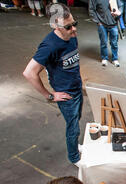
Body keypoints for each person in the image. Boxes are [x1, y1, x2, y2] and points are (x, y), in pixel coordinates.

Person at [23, 3, 82, 166]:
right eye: (68, 27)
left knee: (77, 120)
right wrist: (49, 95)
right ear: (55, 25)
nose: (74, 30)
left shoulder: (71, 37)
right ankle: (74, 157)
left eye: (74, 24)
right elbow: (29, 73)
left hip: (77, 87)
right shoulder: (49, 46)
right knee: (73, 128)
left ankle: (75, 147)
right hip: (66, 95)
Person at [89, 0, 122, 67]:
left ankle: (115, 59)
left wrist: (119, 12)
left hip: (114, 23)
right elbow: (91, 9)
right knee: (103, 42)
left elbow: (120, 6)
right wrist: (98, 21)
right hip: (102, 24)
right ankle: (104, 58)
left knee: (114, 43)